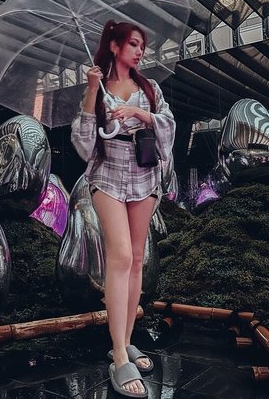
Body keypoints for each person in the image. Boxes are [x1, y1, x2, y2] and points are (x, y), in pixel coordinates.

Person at [71, 20, 175, 397]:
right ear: (114, 46)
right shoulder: (97, 89)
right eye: (133, 43)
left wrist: (139, 114)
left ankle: (127, 340)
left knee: (136, 258)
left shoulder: (149, 89)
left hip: (144, 175)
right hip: (108, 175)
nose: (140, 51)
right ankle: (118, 354)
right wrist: (91, 91)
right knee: (120, 256)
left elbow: (168, 126)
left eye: (142, 45)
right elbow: (84, 145)